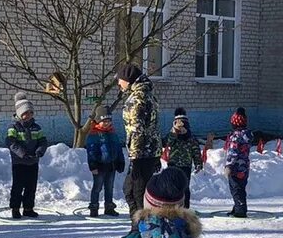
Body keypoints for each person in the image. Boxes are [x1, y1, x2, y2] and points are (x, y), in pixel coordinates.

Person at [117, 64, 161, 215]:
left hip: (141, 154)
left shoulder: (138, 98)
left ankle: (141, 231)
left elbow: (137, 130)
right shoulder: (147, 94)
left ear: (128, 80)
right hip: (148, 152)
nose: (118, 83)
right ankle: (137, 228)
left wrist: (135, 158)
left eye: (120, 80)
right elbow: (154, 127)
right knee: (129, 190)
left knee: (136, 194)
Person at [6, 92, 48, 219]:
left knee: (31, 186)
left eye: (30, 113)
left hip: (33, 162)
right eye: (25, 113)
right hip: (19, 162)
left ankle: (28, 208)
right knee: (18, 186)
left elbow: (43, 141)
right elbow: (11, 143)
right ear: (19, 114)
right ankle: (15, 208)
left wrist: (39, 151)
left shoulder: (37, 127)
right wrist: (22, 154)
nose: (28, 116)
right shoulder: (13, 127)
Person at [85, 111, 125, 217]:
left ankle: (109, 207)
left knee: (109, 187)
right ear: (98, 121)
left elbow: (118, 148)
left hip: (111, 166)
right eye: (104, 121)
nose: (107, 123)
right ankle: (94, 207)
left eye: (109, 121)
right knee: (97, 187)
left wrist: (120, 161)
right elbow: (91, 151)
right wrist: (93, 165)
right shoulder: (94, 134)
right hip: (99, 166)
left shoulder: (113, 133)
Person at [163, 108, 203, 209]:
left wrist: (198, 163)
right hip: (173, 165)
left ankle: (185, 208)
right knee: (172, 186)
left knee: (184, 188)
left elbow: (196, 151)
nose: (181, 128)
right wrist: (174, 131)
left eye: (183, 125)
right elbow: (166, 143)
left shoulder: (191, 138)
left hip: (185, 166)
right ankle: (173, 207)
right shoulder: (173, 136)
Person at [223, 107, 253, 218]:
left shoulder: (236, 137)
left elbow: (233, 152)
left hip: (235, 168)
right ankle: (237, 207)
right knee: (241, 188)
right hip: (244, 168)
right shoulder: (246, 136)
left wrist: (229, 166)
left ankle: (240, 210)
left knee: (236, 189)